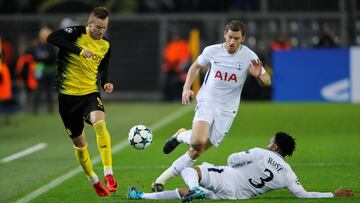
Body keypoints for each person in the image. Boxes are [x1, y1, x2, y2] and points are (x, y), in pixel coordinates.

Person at [151, 20, 272, 192]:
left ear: (242, 38)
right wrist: (186, 89)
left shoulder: (250, 57)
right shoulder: (212, 51)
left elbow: (268, 81)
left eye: (236, 38)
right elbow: (194, 67)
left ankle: (160, 180)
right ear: (225, 34)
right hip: (208, 101)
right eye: (230, 37)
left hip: (228, 111)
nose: (232, 42)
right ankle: (182, 135)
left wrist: (259, 76)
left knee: (197, 151)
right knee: (197, 141)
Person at [128, 132, 354, 201]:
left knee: (190, 171)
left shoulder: (260, 153)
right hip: (235, 196)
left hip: (228, 177)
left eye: (270, 141)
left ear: (275, 148)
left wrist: (245, 157)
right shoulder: (288, 173)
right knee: (185, 192)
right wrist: (332, 194)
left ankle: (194, 187)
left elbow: (231, 160)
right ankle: (140, 196)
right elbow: (303, 194)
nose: (268, 143)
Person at [47, 7, 117, 196]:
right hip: (67, 98)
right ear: (90, 24)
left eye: (105, 28)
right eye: (99, 27)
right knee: (80, 144)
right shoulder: (76, 33)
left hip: (90, 93)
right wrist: (79, 50)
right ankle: (94, 180)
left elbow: (104, 68)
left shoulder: (106, 45)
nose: (101, 31)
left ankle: (108, 172)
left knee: (100, 125)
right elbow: (52, 38)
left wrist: (107, 82)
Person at [32, 27, 57, 114]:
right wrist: (43, 58)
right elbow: (35, 57)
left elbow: (53, 57)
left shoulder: (51, 46)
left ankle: (50, 109)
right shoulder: (38, 46)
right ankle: (34, 109)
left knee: (49, 91)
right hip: (41, 71)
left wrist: (45, 57)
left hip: (50, 71)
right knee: (39, 89)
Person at [162, 31, 191, 101]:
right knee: (168, 82)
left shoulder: (183, 44)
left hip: (180, 68)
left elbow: (186, 57)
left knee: (180, 82)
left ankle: (179, 97)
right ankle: (168, 98)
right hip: (171, 68)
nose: (175, 37)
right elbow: (166, 56)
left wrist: (181, 67)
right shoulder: (171, 45)